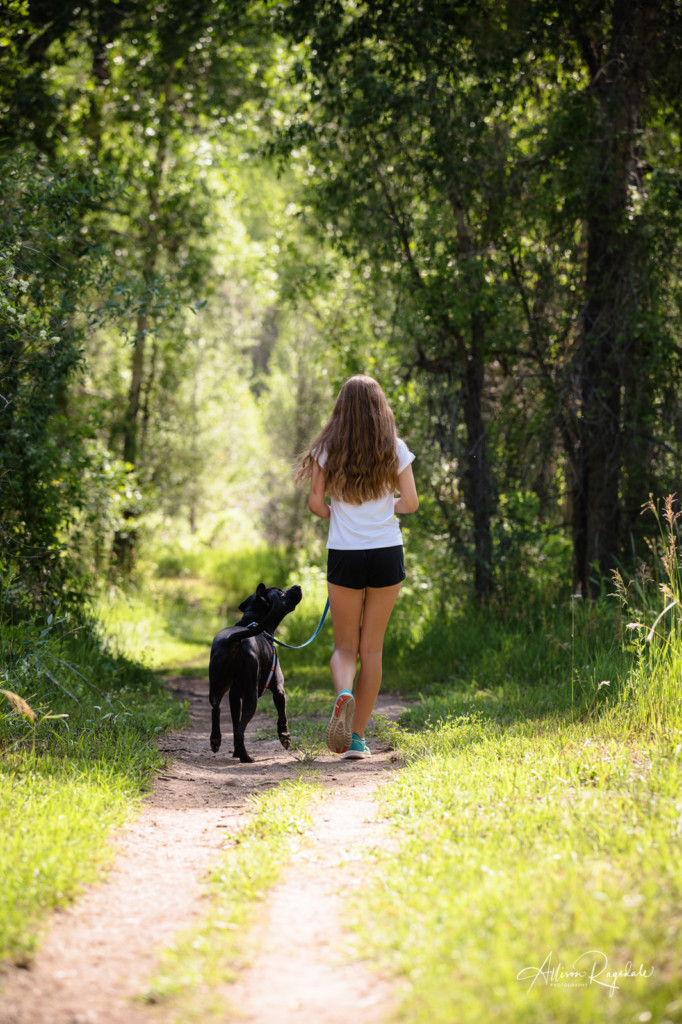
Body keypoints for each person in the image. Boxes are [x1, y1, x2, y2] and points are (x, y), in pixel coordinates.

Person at [296, 374, 419, 759]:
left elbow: (316, 505)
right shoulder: (395, 449)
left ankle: (343, 692)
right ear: (379, 408)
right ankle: (357, 739)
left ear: (341, 410)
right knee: (373, 649)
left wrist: (340, 513)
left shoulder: (327, 449)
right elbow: (411, 503)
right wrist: (385, 507)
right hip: (386, 551)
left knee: (345, 645)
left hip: (345, 554)